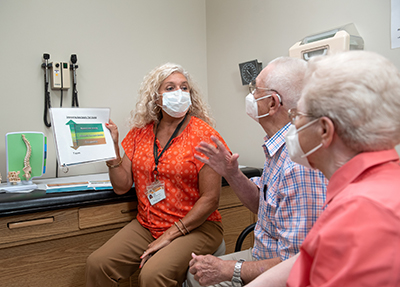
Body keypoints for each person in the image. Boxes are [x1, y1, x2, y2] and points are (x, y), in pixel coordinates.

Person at [246, 50, 400, 287]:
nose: (293, 126)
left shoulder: (363, 211)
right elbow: (310, 254)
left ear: (325, 131)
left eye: (297, 116)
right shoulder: (369, 186)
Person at [187, 56, 328, 287]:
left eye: (255, 90)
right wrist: (232, 174)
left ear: (273, 103)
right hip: (262, 255)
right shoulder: (278, 147)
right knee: (193, 276)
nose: (250, 96)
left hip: (279, 270)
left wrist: (227, 269)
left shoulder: (298, 165)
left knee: (200, 278)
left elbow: (295, 264)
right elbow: (261, 205)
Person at [85, 63, 229, 287]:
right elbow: (122, 186)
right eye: (170, 88)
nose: (179, 93)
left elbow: (211, 199)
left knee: (153, 275)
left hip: (197, 227)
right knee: (98, 264)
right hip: (148, 224)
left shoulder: (204, 135)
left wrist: (170, 235)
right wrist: (112, 150)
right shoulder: (139, 134)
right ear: (156, 97)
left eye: (184, 88)